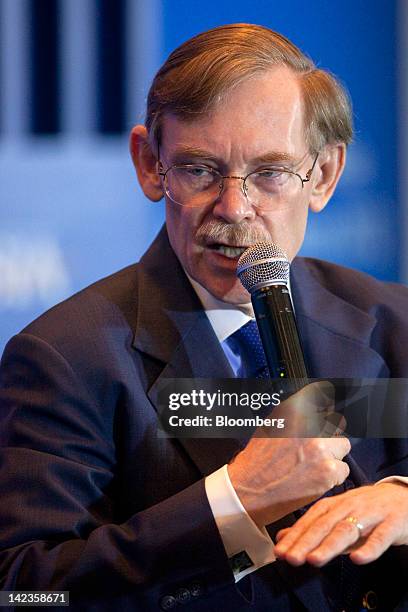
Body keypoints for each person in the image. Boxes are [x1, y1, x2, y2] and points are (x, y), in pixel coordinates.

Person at [1, 23, 408, 611]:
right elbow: (24, 591)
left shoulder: (393, 322)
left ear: (322, 175)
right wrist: (233, 502)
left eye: (269, 173)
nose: (234, 208)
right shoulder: (70, 357)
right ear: (149, 164)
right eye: (199, 170)